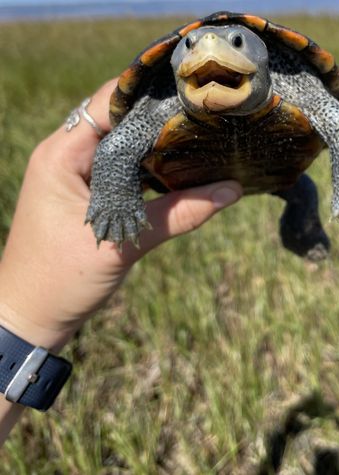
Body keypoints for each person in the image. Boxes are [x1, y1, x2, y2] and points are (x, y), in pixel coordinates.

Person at [0, 79, 242, 446]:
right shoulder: (161, 105)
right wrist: (23, 319)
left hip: (270, 155)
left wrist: (18, 321)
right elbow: (118, 144)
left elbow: (336, 120)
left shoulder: (289, 83)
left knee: (299, 189)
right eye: (191, 47)